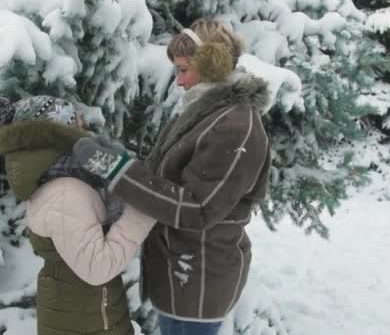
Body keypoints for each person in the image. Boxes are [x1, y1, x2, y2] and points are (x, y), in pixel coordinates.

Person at [68, 19, 272, 335]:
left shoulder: (235, 126)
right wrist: (103, 150)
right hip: (177, 274)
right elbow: (156, 177)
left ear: (211, 64)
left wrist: (114, 168)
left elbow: (197, 208)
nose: (178, 81)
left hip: (198, 277)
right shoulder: (205, 113)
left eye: (182, 69)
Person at [0, 95, 156, 335]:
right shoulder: (65, 192)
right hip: (85, 321)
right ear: (59, 132)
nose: (85, 127)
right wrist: (142, 212)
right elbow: (97, 268)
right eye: (76, 123)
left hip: (86, 314)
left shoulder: (63, 180)